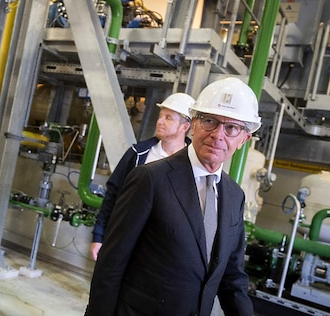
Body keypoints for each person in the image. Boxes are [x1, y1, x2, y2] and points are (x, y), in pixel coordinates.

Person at [86, 77, 258, 315]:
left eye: (232, 128)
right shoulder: (150, 178)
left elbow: (232, 276)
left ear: (243, 139)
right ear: (194, 124)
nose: (218, 135)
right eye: (210, 121)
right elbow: (112, 263)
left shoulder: (234, 196)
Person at [90, 92, 195, 260]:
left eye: (168, 118)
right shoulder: (138, 153)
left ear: (185, 126)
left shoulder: (193, 164)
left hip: (164, 250)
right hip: (127, 239)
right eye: (161, 116)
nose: (160, 121)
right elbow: (113, 194)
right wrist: (99, 236)